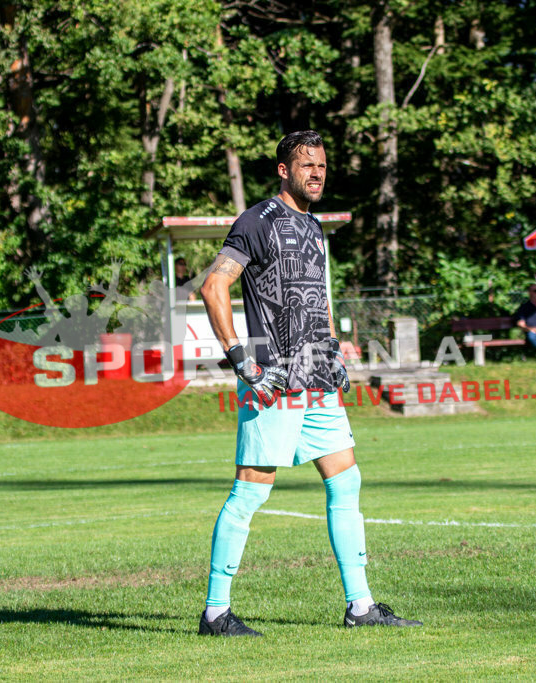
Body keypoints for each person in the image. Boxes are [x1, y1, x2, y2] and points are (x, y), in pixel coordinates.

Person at [196, 130, 422, 637]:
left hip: (318, 380)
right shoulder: (256, 222)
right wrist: (243, 363)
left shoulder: (314, 227)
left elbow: (316, 297)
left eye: (321, 165)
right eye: (306, 165)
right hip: (274, 382)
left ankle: (359, 606)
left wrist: (335, 348)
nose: (316, 173)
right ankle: (215, 612)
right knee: (250, 492)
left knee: (346, 481)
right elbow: (214, 286)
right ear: (284, 170)